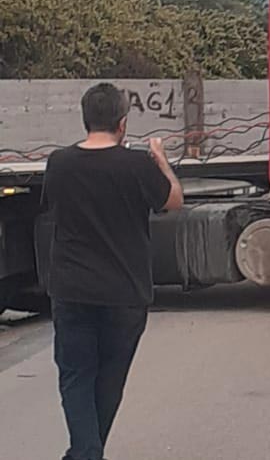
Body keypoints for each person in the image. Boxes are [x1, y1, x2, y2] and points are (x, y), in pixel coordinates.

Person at [43, 83, 184, 460]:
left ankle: (85, 451)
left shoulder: (60, 162)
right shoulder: (137, 165)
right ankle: (87, 452)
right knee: (110, 378)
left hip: (72, 290)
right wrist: (160, 160)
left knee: (75, 375)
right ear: (123, 124)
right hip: (125, 293)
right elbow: (173, 201)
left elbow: (51, 206)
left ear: (85, 118)